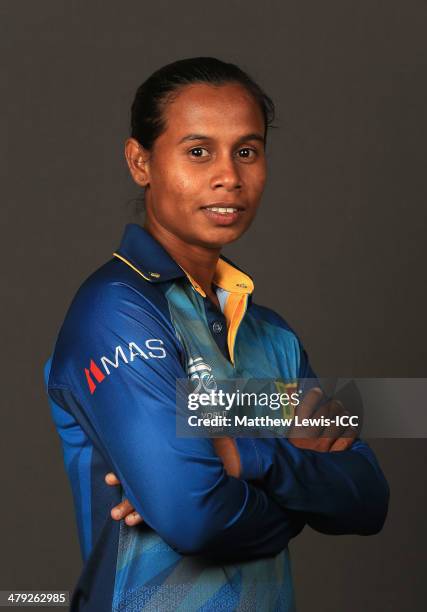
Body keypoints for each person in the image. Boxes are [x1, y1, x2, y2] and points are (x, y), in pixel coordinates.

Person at [44, 57, 389, 612]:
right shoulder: (114, 310)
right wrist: (294, 478)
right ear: (141, 162)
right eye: (198, 151)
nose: (229, 175)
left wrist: (244, 456)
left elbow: (368, 500)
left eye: (246, 151)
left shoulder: (272, 332)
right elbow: (194, 518)